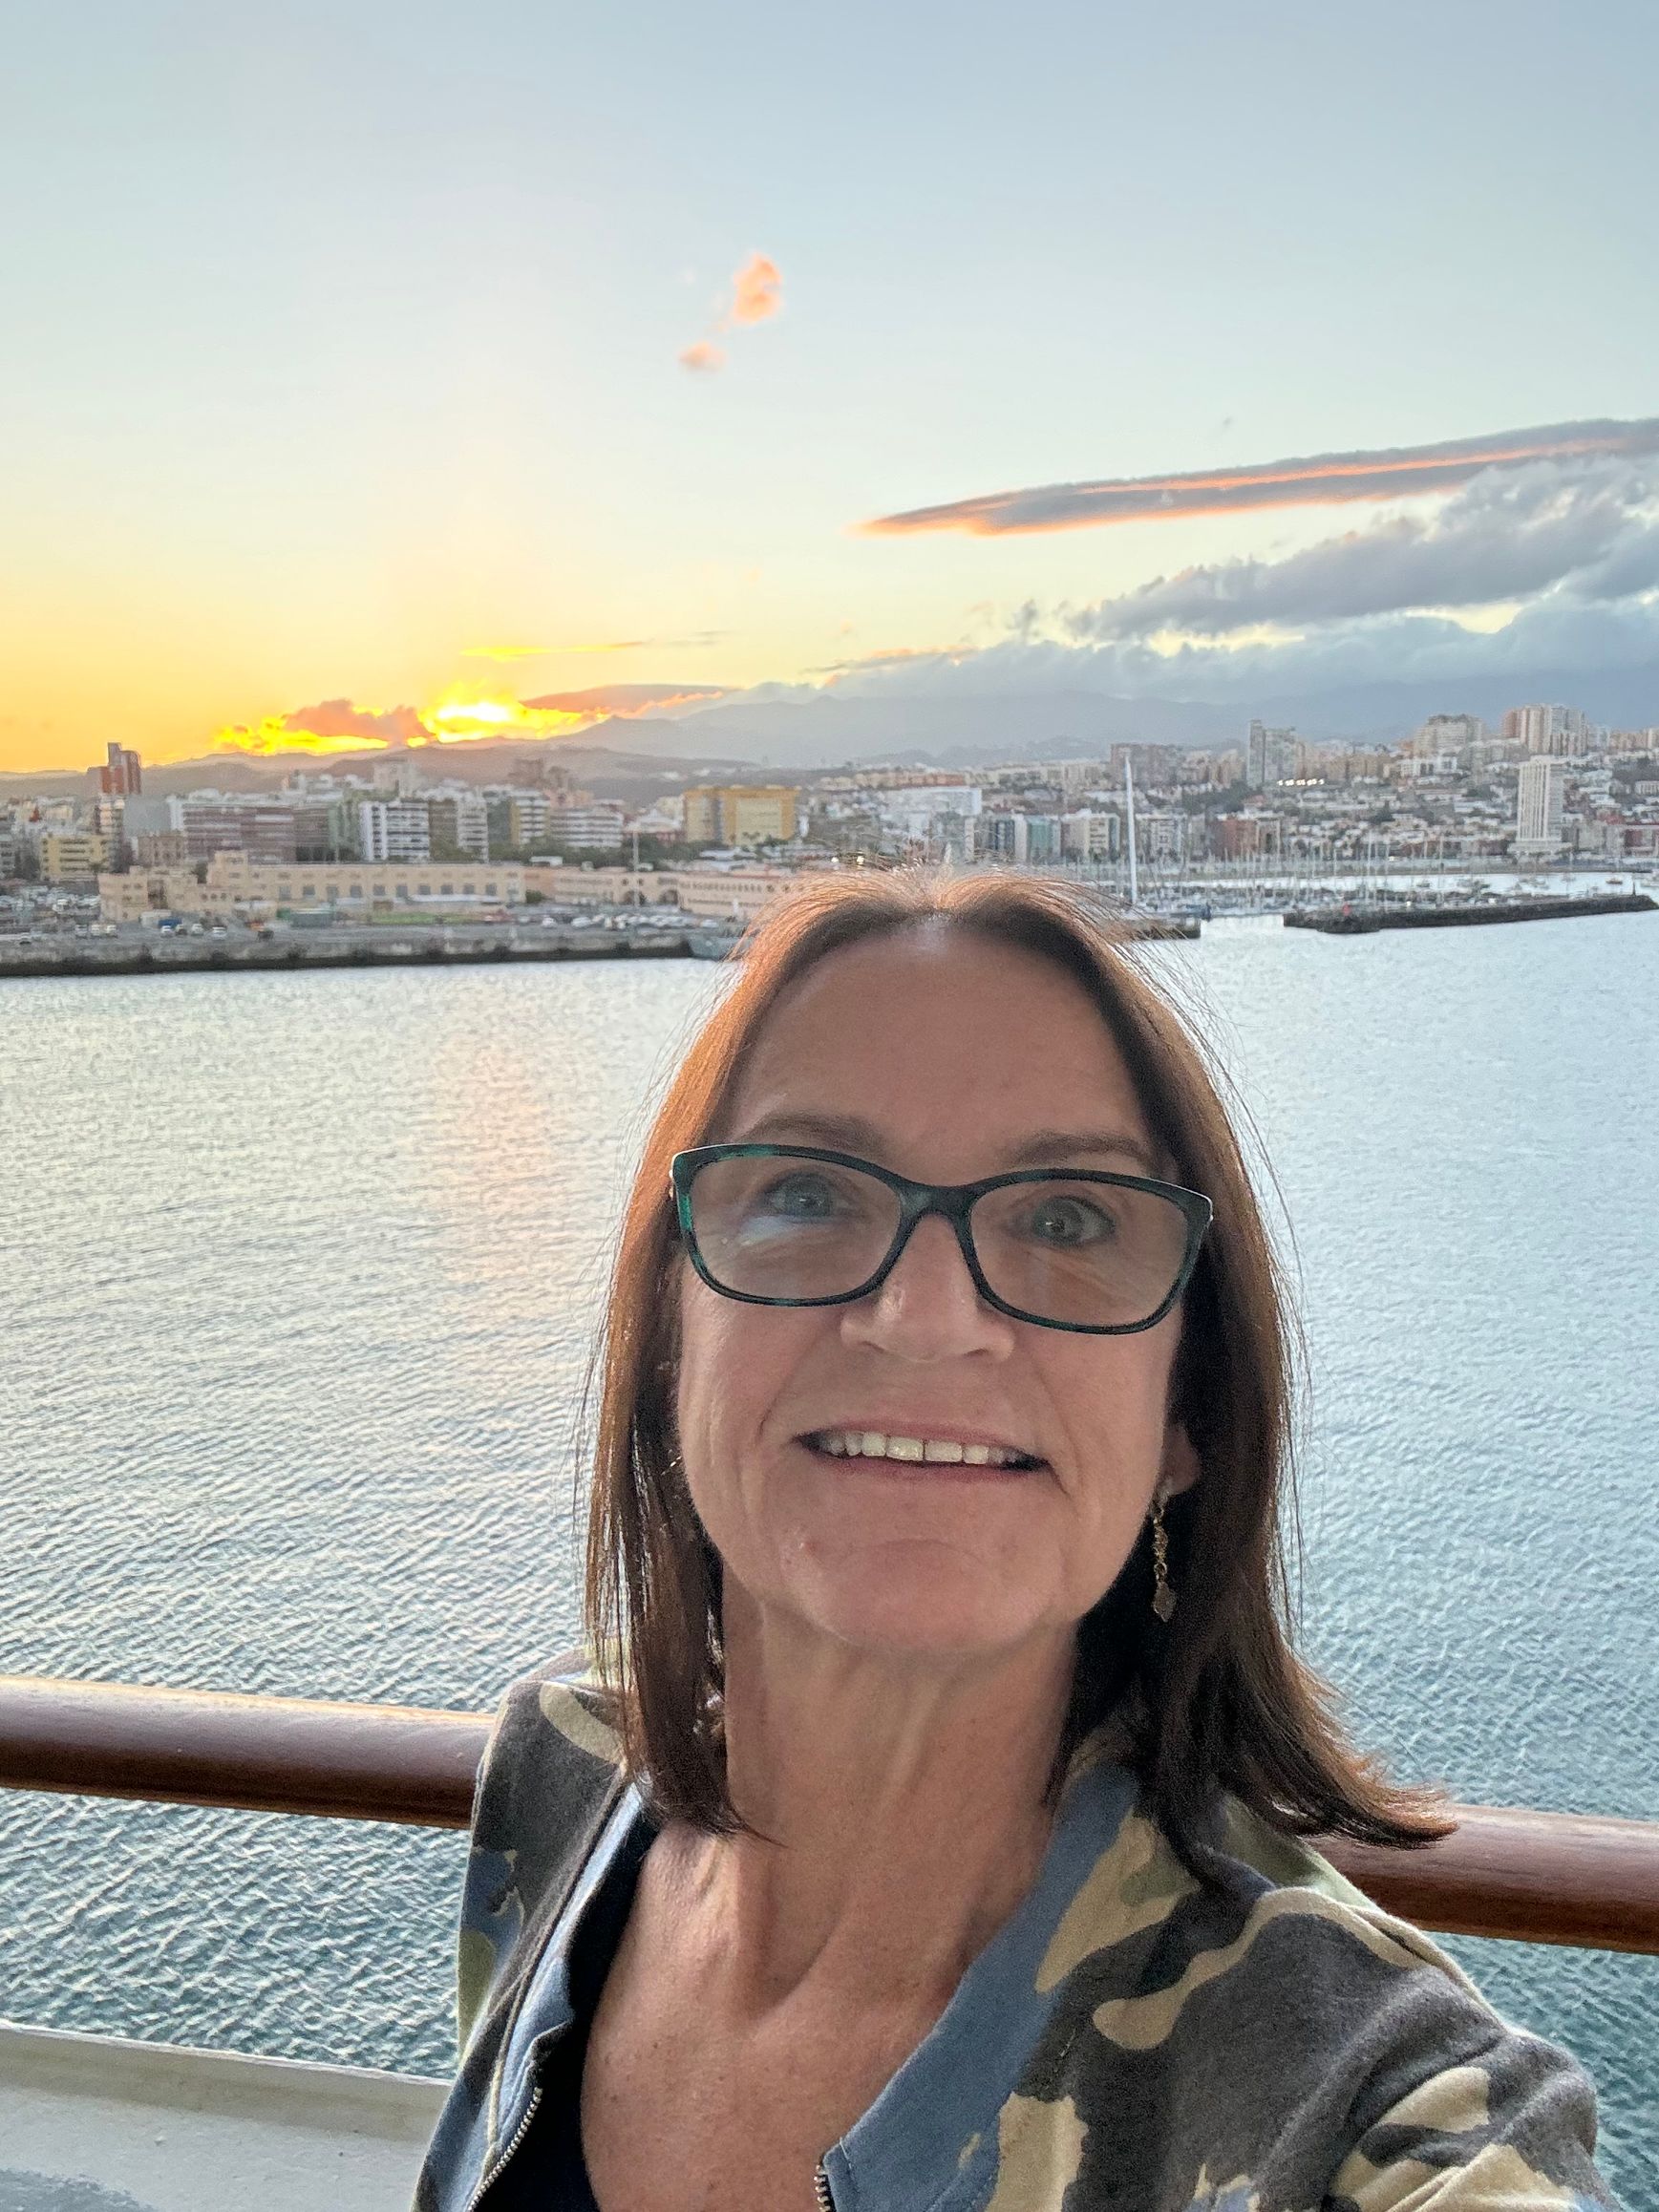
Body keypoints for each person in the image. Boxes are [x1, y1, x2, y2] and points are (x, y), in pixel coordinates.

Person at [414, 870, 1613, 2212]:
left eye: (1066, 1219)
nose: (926, 1319)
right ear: (667, 1341)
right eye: (807, 1195)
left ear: (1184, 1413)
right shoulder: (563, 1781)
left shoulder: (1360, 2112)